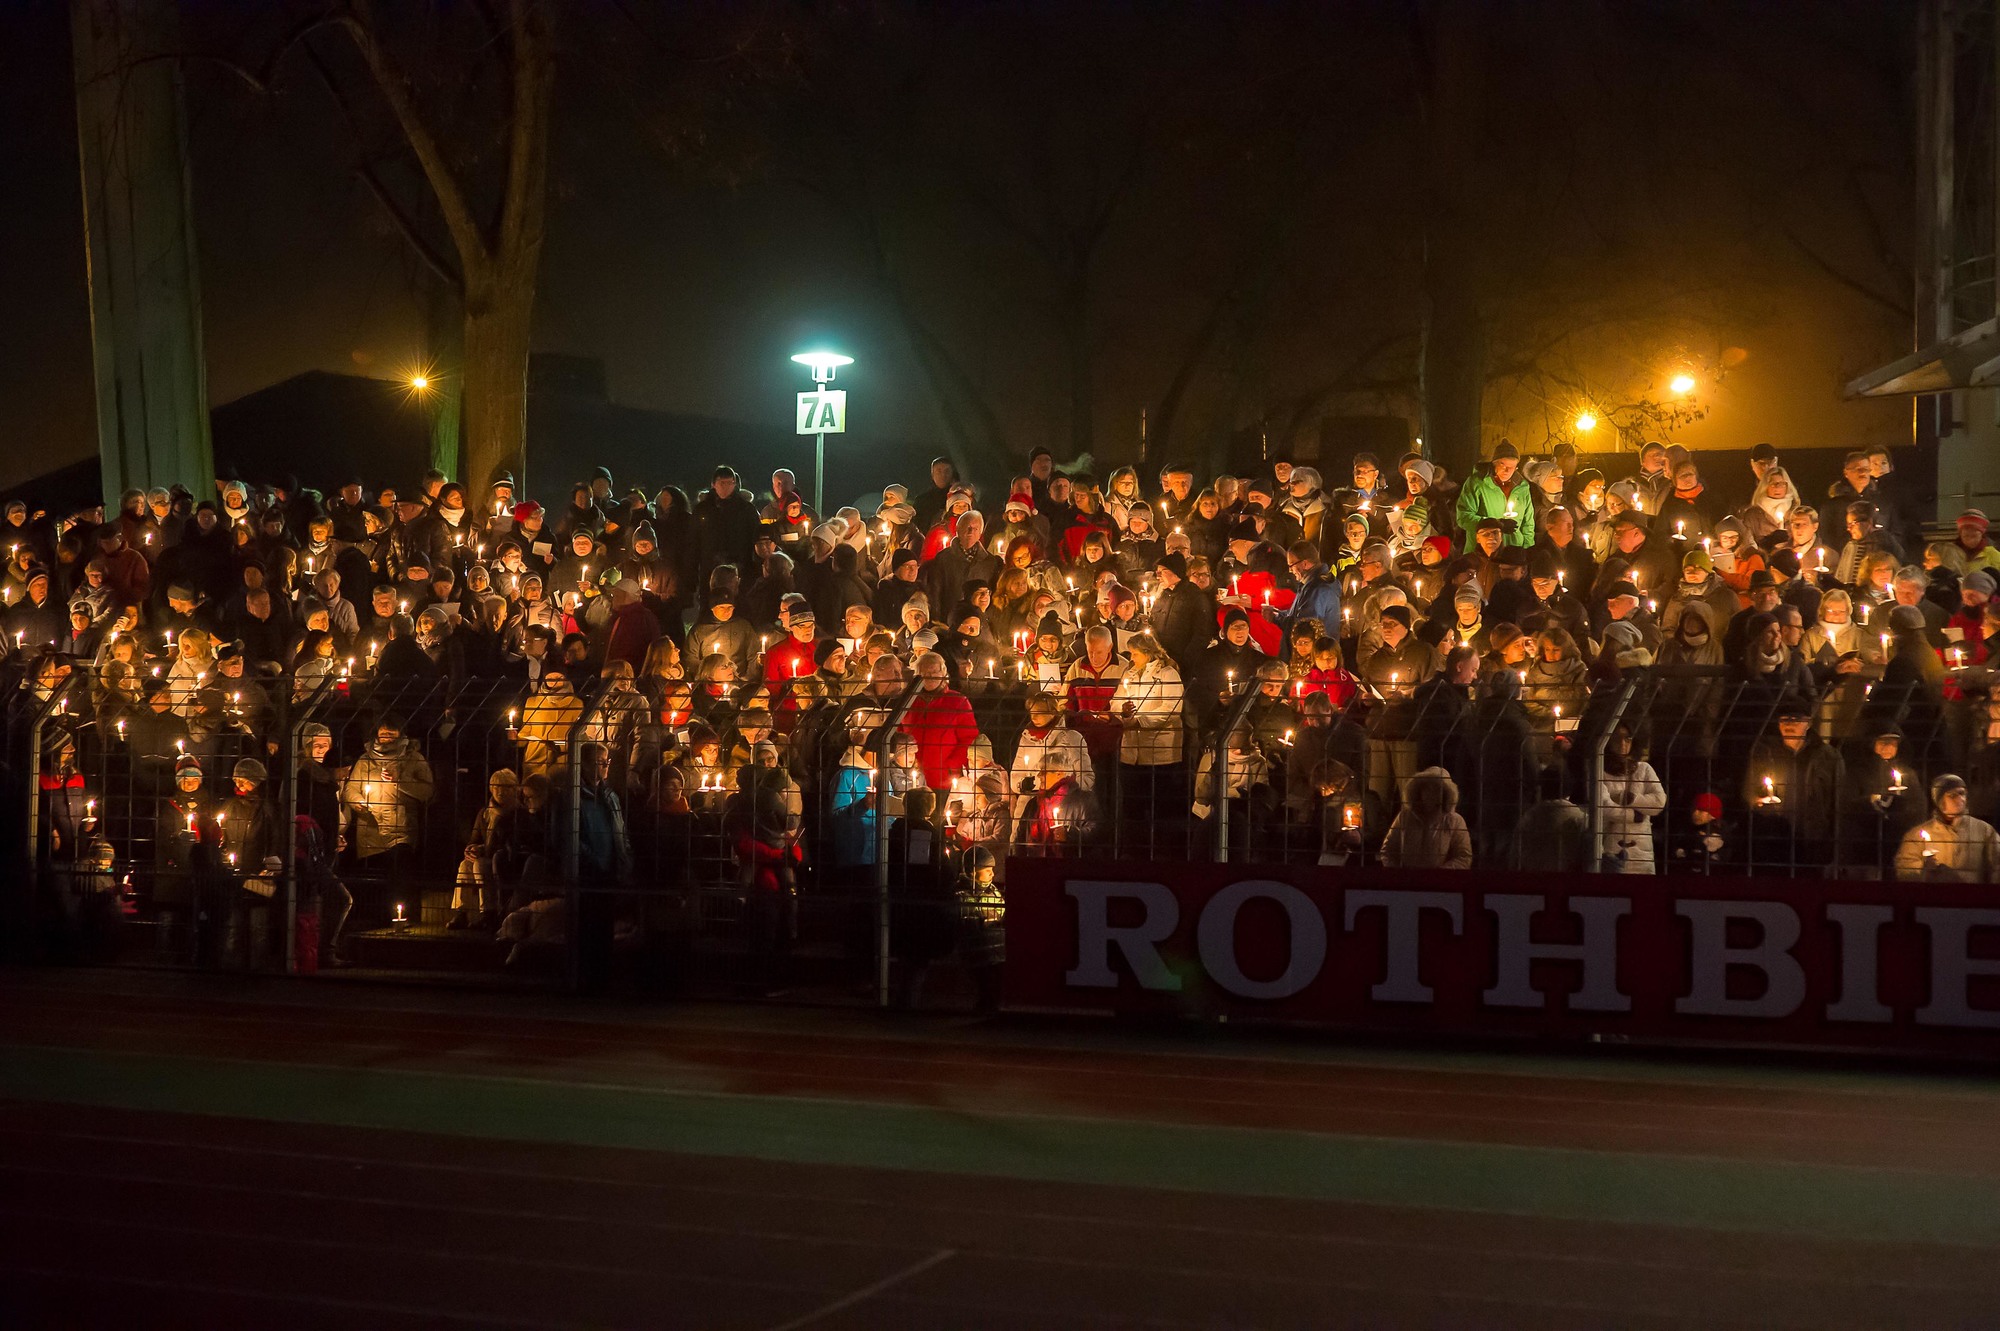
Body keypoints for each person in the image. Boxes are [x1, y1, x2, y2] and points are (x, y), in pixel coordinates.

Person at [1894, 774, 2000, 883]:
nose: (1960, 799)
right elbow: (1904, 868)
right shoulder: (1917, 835)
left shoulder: (1984, 830)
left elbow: (1997, 864)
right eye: (1952, 795)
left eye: (1962, 793)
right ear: (1939, 801)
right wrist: (1925, 870)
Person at [1379, 766, 1473, 868]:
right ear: (1419, 790)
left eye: (1436, 788)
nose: (1430, 793)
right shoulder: (1405, 817)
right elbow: (1388, 850)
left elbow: (1464, 857)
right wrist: (1399, 874)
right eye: (1427, 787)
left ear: (1445, 793)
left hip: (1440, 882)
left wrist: (1440, 874)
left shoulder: (1455, 821)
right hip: (1406, 881)